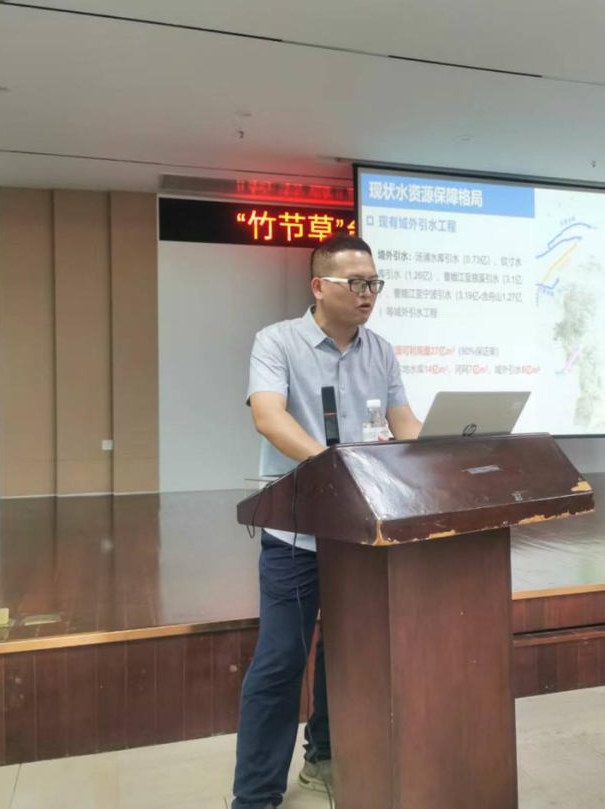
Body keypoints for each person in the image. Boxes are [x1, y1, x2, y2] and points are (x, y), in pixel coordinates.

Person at [232, 233, 423, 809]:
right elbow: (269, 418)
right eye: (356, 283)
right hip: (297, 531)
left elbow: (404, 423)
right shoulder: (277, 341)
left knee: (348, 653)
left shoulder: (380, 350)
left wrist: (450, 448)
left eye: (374, 283)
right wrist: (335, 467)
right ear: (319, 286)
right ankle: (255, 795)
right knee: (281, 659)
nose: (369, 294)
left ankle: (323, 760)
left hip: (361, 532)